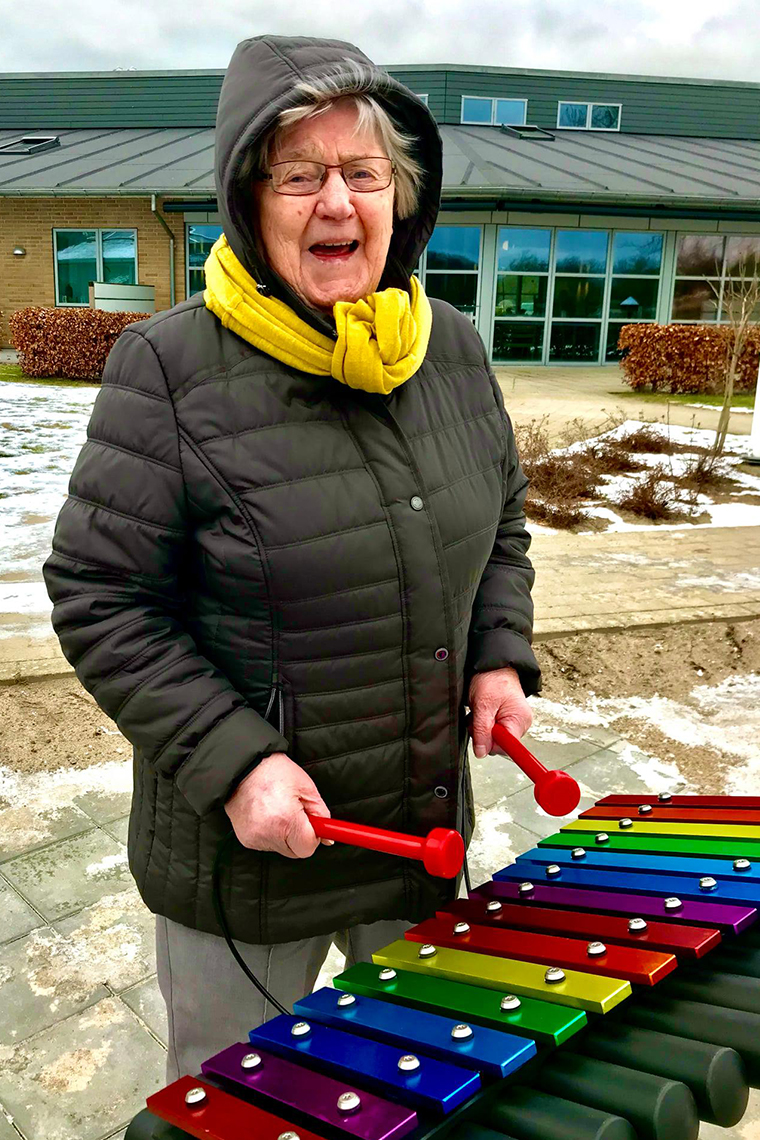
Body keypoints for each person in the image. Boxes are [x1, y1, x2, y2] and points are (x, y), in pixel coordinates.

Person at [43, 33, 540, 1080]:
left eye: (363, 173)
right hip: (252, 856)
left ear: (400, 197)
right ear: (248, 198)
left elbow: (499, 521)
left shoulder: (446, 346)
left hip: (417, 837)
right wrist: (235, 765)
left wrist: (497, 651)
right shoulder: (169, 366)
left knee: (410, 1086)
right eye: (300, 175)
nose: (336, 203)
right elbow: (101, 595)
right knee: (236, 1100)